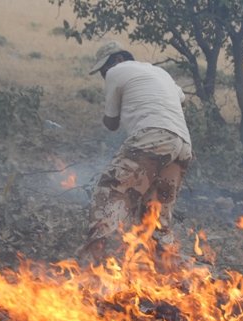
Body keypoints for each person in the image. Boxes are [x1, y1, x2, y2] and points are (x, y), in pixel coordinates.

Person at [80, 41, 193, 262]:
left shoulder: (117, 71)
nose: (104, 75)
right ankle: (166, 268)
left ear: (118, 59)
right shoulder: (160, 72)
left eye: (103, 70)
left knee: (110, 190)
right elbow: (182, 98)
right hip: (182, 144)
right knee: (155, 215)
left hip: (153, 137)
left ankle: (98, 260)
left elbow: (111, 123)